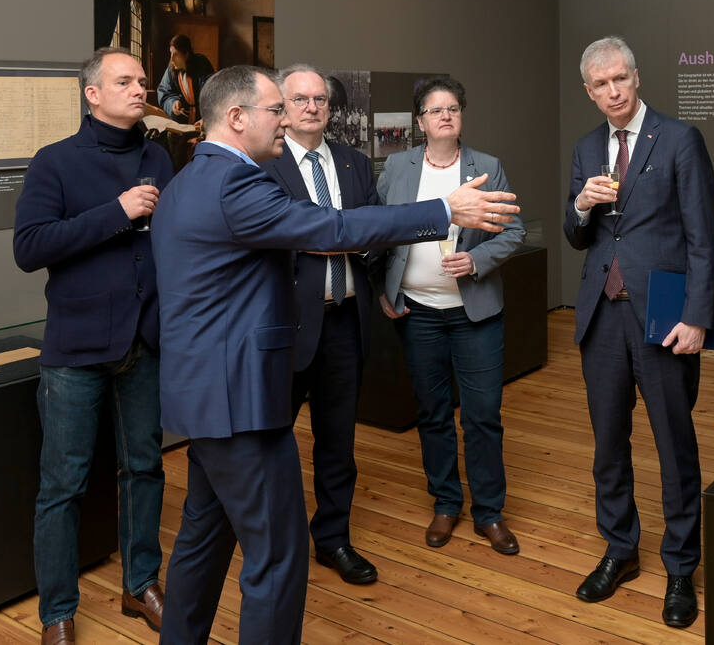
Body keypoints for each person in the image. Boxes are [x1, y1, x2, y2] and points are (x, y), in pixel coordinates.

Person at [153, 65, 519, 644]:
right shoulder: (235, 184)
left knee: (203, 537)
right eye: (277, 108)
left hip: (205, 399)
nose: (286, 119)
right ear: (237, 117)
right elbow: (333, 227)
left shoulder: (187, 180)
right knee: (277, 557)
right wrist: (444, 211)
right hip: (240, 403)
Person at [13, 47, 173, 645]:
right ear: (92, 94)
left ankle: (141, 585)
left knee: (145, 468)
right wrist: (117, 212)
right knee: (63, 486)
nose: (139, 89)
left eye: (142, 80)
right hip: (76, 350)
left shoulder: (159, 157)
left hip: (145, 342)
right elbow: (30, 248)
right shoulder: (54, 161)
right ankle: (57, 611)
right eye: (125, 81)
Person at [563, 36, 714, 628]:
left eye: (620, 79)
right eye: (601, 84)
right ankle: (620, 549)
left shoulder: (679, 139)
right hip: (601, 316)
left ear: (637, 76)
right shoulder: (586, 147)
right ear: (589, 91)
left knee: (674, 446)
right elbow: (577, 235)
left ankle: (681, 567)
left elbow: (702, 238)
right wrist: (581, 206)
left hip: (664, 317)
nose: (614, 92)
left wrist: (697, 317)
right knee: (608, 443)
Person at [376, 76, 525, 555]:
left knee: (482, 416)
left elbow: (513, 231)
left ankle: (489, 512)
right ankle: (445, 502)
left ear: (461, 116)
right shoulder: (397, 167)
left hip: (474, 313)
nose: (445, 115)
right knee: (433, 412)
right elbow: (379, 230)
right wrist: (383, 288)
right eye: (435, 110)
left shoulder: (487, 167)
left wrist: (476, 260)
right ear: (419, 122)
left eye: (453, 109)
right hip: (417, 312)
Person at [260, 64, 380, 585]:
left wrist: (355, 240)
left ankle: (333, 539)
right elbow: (268, 238)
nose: (312, 107)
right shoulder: (264, 164)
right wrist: (327, 237)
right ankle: (270, 542)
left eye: (321, 100)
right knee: (270, 439)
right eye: (300, 99)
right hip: (286, 325)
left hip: (345, 321)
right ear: (282, 108)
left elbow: (375, 227)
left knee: (338, 442)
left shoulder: (354, 163)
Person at [156, 33, 214, 123]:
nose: (172, 59)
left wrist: (207, 118)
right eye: (171, 53)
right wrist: (173, 103)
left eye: (176, 54)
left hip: (202, 119)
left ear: (186, 54)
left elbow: (212, 94)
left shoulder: (201, 63)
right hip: (181, 122)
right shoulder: (171, 69)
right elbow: (164, 92)